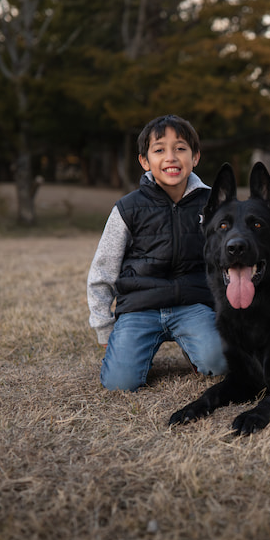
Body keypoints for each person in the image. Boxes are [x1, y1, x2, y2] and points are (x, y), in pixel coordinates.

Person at [87, 114, 227, 391]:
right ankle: (131, 353)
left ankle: (196, 349)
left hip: (194, 304)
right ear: (144, 161)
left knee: (221, 365)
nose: (171, 157)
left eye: (180, 148)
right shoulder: (128, 208)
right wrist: (103, 326)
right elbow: (103, 268)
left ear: (195, 157)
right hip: (140, 307)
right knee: (120, 383)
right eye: (160, 150)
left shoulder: (213, 204)